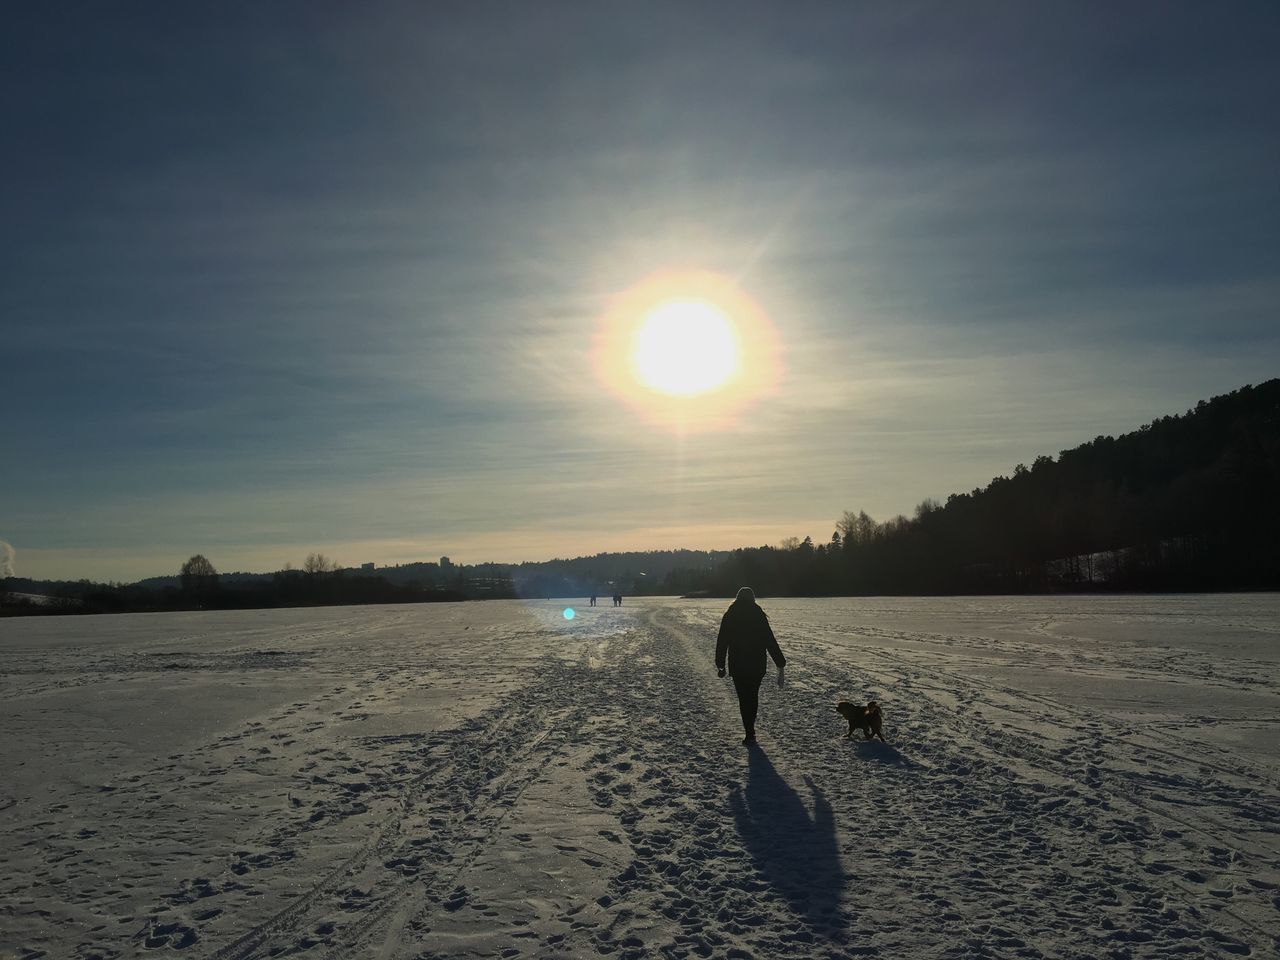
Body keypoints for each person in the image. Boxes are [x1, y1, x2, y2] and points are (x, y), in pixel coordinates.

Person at [715, 587, 786, 744]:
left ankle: (749, 731)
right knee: (752, 696)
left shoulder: (730, 615)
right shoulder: (758, 615)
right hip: (757, 664)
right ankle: (750, 729)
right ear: (753, 598)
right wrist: (780, 662)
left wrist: (720, 664)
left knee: (743, 698)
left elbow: (722, 641)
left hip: (738, 664)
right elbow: (769, 639)